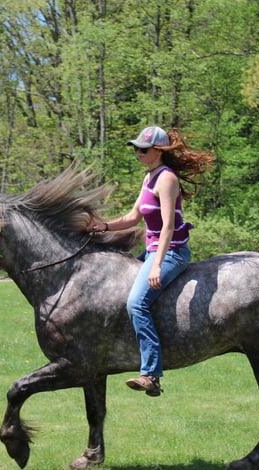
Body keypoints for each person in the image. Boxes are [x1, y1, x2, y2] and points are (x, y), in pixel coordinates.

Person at [90, 126, 215, 397]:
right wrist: (103, 227)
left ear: (158, 151)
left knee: (137, 303)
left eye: (143, 149)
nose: (138, 153)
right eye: (136, 148)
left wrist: (157, 264)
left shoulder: (166, 179)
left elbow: (168, 226)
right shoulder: (149, 177)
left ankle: (151, 374)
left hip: (171, 252)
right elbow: (133, 218)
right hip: (153, 251)